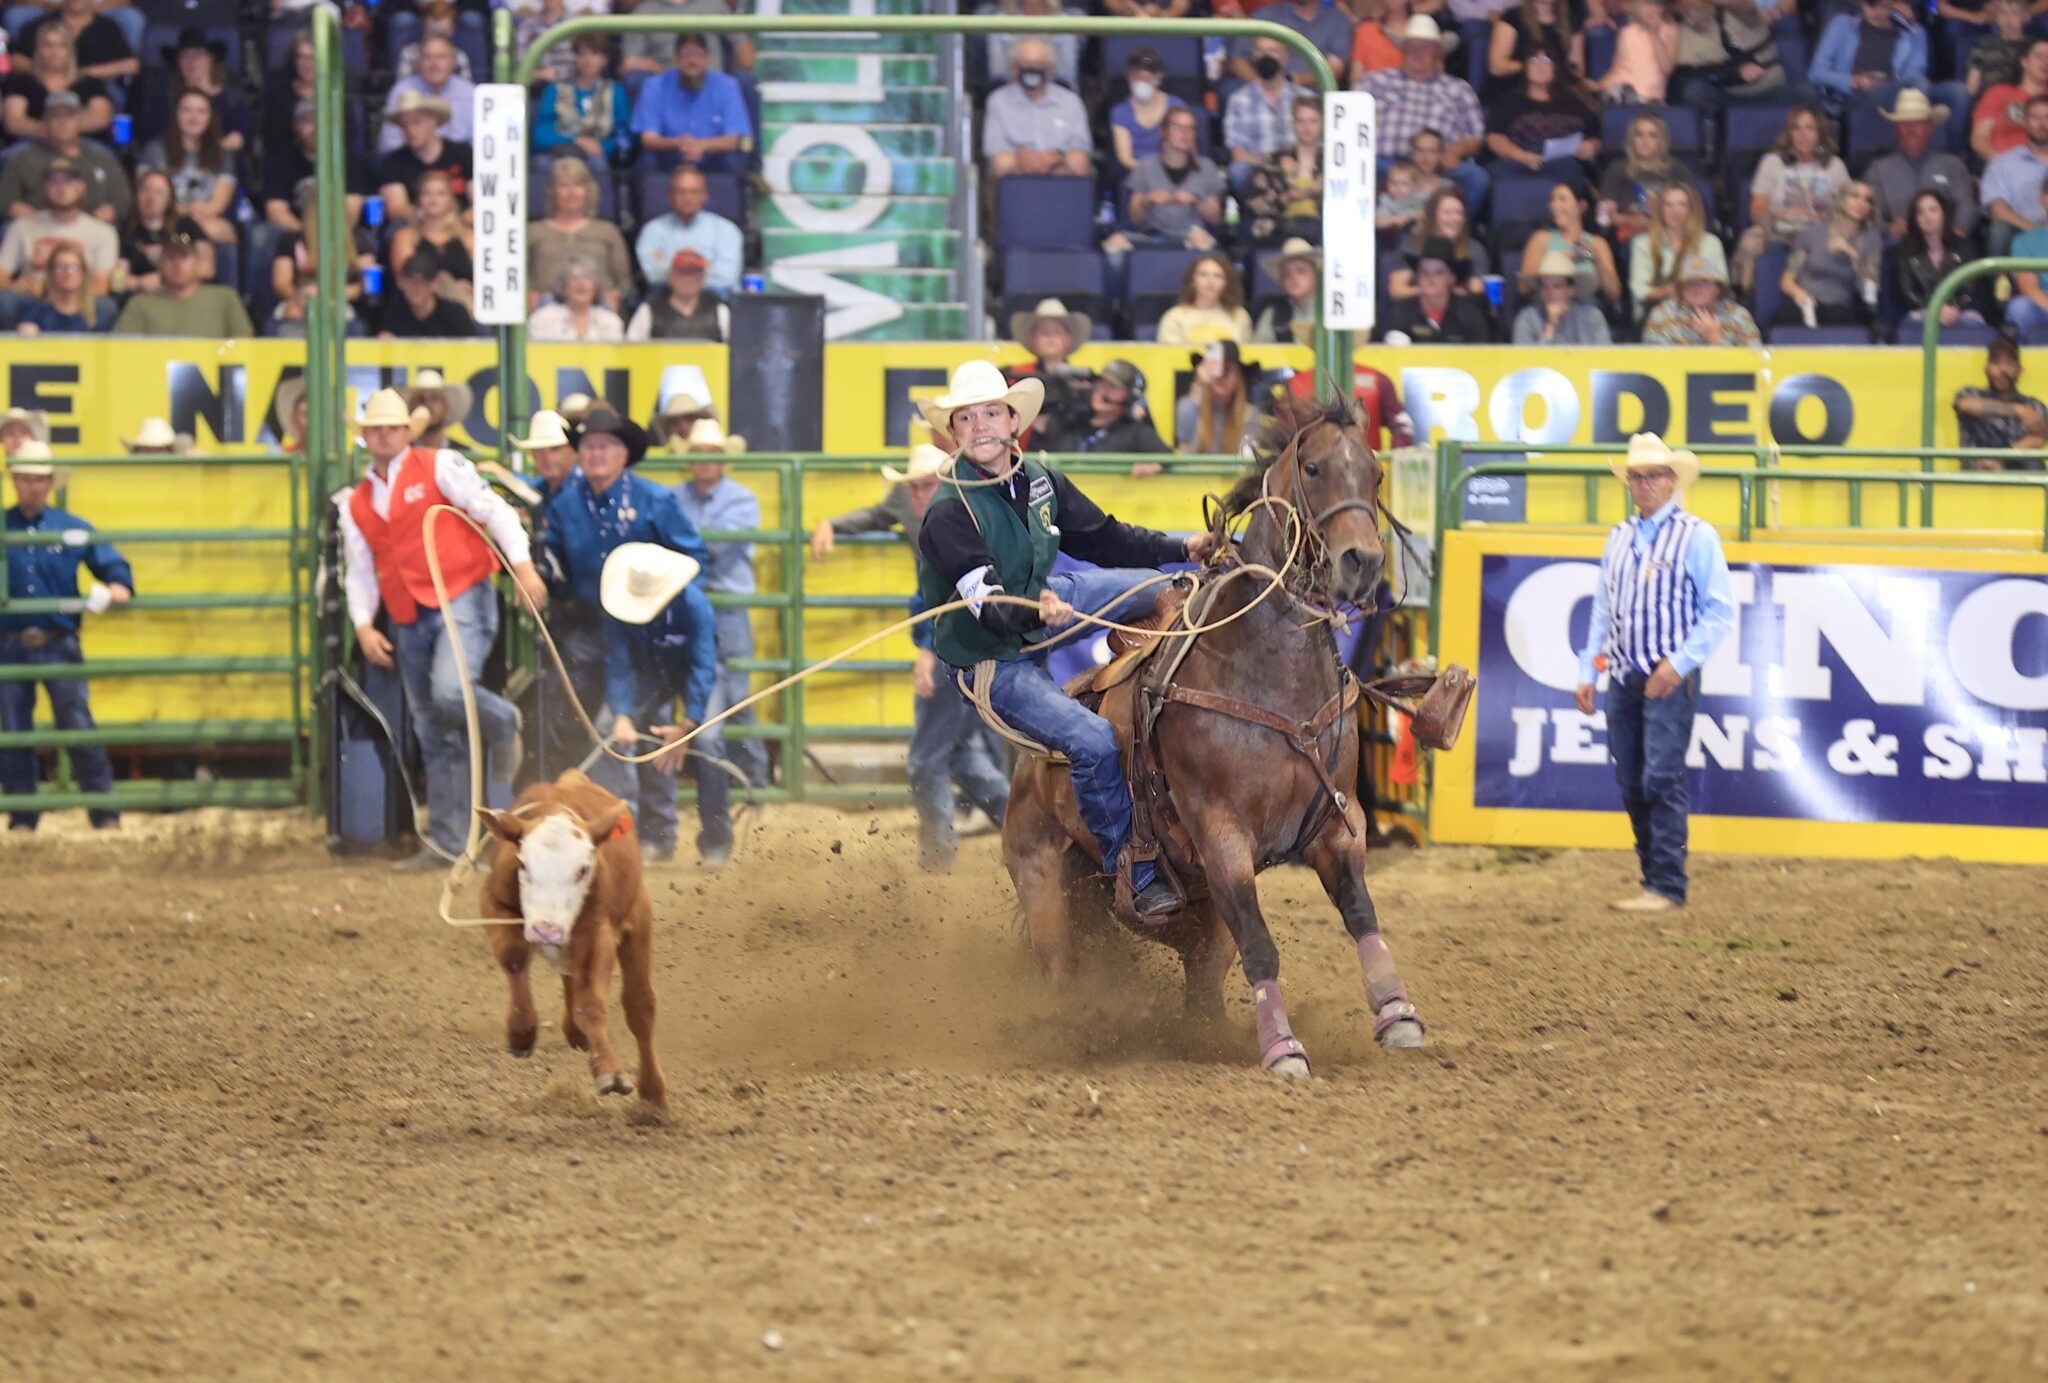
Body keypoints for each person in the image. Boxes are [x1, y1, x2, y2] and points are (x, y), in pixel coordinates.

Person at [913, 360, 1217, 918]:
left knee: (1178, 584)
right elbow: (989, 607)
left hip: (1049, 598)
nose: (980, 426)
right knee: (1094, 741)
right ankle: (1135, 868)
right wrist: (1037, 610)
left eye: (990, 413)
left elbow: (1105, 538)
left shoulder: (1041, 480)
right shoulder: (947, 513)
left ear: (1012, 421)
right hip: (995, 662)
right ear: (953, 432)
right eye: (966, 418)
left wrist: (1182, 546)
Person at [337, 388, 545, 870]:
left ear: (406, 431)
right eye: (375, 428)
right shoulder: (358, 502)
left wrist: (522, 565)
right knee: (432, 729)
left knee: (450, 693)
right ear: (366, 436)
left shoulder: (441, 466)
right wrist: (364, 625)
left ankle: (502, 721)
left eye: (391, 427)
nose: (384, 435)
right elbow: (361, 568)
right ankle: (452, 844)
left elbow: (493, 510)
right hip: (408, 611)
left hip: (461, 592)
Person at [809, 444, 1011, 871]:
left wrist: (926, 648)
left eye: (926, 485)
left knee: (927, 757)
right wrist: (832, 523)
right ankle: (1021, 820)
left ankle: (939, 857)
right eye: (914, 487)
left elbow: (955, 589)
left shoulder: (959, 516)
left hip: (959, 634)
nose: (919, 495)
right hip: (968, 633)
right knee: (954, 750)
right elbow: (877, 516)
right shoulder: (931, 505)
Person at [540, 408, 716, 863]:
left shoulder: (654, 501)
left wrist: (668, 609)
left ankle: (663, 832)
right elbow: (553, 562)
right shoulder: (563, 505)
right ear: (578, 454)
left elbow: (693, 557)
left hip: (657, 628)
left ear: (622, 454)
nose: (596, 454)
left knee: (654, 728)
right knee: (592, 727)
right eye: (589, 447)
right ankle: (619, 829)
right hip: (588, 627)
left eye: (605, 446)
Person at [1573, 433, 1734, 914]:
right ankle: (1655, 879)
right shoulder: (1619, 537)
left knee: (1660, 776)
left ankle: (1666, 883)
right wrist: (1588, 668)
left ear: (1670, 481)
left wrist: (1679, 663)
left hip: (1669, 678)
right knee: (1633, 779)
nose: (1644, 484)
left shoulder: (1697, 535)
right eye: (1636, 477)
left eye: (1653, 476)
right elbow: (1603, 609)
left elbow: (1719, 612)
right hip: (1624, 674)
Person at [0, 440, 131, 832]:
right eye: (24, 478)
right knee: (13, 729)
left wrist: (118, 584)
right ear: (15, 481)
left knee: (75, 723)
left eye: (38, 479)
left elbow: (112, 565)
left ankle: (101, 811)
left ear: (51, 482)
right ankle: (26, 814)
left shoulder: (72, 527)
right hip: (11, 641)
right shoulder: (58, 527)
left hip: (56, 639)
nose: (32, 486)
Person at [595, 542, 735, 869]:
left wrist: (688, 725)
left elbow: (703, 665)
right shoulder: (617, 611)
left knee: (708, 739)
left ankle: (716, 839)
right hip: (648, 674)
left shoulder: (695, 605)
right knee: (609, 730)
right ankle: (637, 838)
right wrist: (622, 714)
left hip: (693, 674)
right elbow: (619, 665)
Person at [670, 417, 770, 790]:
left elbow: (710, 546)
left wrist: (679, 546)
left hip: (723, 607)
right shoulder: (680, 497)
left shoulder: (740, 499)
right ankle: (733, 779)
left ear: (723, 459)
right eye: (698, 452)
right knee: (708, 691)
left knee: (735, 697)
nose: (705, 460)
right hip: (692, 605)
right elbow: (708, 544)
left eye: (712, 453)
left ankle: (753, 778)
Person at [1358, 17, 1490, 213]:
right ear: (1403, 49)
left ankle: (1451, 231)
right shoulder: (1375, 82)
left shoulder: (1458, 89)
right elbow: (1350, 121)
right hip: (1385, 164)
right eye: (1412, 46)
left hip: (1439, 165)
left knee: (1476, 178)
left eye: (1426, 47)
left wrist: (1454, 152)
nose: (1418, 52)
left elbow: (1476, 137)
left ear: (1438, 53)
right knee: (1360, 170)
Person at [1732, 107, 1849, 294]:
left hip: (1820, 231)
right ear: (1789, 133)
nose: (1803, 135)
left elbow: (1847, 211)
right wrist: (1782, 214)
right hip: (1780, 228)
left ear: (1820, 133)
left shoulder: (1835, 166)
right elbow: (1756, 211)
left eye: (1809, 128)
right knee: (1751, 240)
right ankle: (1747, 296)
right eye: (1796, 128)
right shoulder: (1772, 162)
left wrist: (1823, 220)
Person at [1106, 107, 1226, 259]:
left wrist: (1195, 201)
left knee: (1203, 242)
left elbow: (1215, 218)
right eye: (1177, 127)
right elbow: (1135, 219)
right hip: (1150, 236)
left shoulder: (1206, 167)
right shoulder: (1146, 166)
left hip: (1190, 235)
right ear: (1164, 132)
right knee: (1115, 243)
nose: (1184, 134)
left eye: (1190, 128)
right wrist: (1146, 200)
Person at [0, 158, 121, 306]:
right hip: (30, 300)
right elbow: (2, 274)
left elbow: (101, 286)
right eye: (54, 182)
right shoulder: (21, 227)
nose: (61, 188)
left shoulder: (103, 232)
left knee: (104, 305)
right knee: (6, 301)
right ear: (44, 188)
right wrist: (13, 287)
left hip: (78, 302)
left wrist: (50, 291)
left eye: (68, 181)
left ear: (81, 187)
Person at [0, 88, 129, 224]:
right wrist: (37, 221)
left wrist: (96, 220)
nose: (63, 122)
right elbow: (5, 199)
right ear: (45, 121)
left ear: (80, 120)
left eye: (69, 116)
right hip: (36, 229)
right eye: (56, 116)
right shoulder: (22, 159)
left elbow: (121, 198)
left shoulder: (102, 158)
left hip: (90, 230)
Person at [532, 35, 632, 206]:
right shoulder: (555, 90)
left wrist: (603, 148)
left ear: (605, 60)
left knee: (598, 163)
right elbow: (541, 135)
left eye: (594, 54)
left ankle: (602, 220)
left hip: (597, 157)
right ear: (575, 59)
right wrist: (576, 141)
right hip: (559, 153)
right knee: (541, 164)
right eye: (582, 54)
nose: (588, 60)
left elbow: (623, 136)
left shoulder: (615, 91)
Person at [631, 33, 752, 174]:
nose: (693, 61)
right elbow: (648, 139)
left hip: (711, 156)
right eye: (686, 55)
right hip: (670, 154)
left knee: (732, 160)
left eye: (699, 55)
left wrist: (701, 146)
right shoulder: (654, 86)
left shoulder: (727, 85)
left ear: (708, 58)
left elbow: (732, 140)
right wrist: (678, 143)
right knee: (647, 160)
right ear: (676, 58)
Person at [1865, 88, 1977, 240]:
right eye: (1904, 124)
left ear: (1930, 127)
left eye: (1917, 123)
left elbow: (1966, 206)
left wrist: (1958, 230)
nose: (1910, 130)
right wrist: (1889, 228)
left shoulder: (1952, 165)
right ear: (1896, 128)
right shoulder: (1878, 169)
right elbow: (1870, 213)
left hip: (1947, 242)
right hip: (1901, 246)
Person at [1773, 180, 1881, 332]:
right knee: (1787, 319)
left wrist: (1852, 254)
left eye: (1867, 200)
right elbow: (1786, 280)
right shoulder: (1813, 232)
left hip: (1838, 309)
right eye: (1855, 196)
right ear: (1841, 199)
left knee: (1837, 320)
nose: (1861, 203)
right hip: (1804, 303)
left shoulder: (1871, 239)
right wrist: (1798, 294)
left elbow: (1869, 292)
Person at [528, 159, 633, 313]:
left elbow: (625, 282)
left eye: (577, 185)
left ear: (588, 190)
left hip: (597, 307)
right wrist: (527, 295)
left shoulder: (608, 231)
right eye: (563, 185)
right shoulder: (532, 232)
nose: (571, 192)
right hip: (545, 308)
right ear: (552, 191)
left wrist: (615, 295)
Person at [982, 38, 1092, 184]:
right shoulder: (998, 100)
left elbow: (1081, 144)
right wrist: (1023, 157)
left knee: (1079, 161)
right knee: (1001, 162)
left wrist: (1054, 157)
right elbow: (993, 146)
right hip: (1017, 165)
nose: (1032, 70)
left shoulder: (1070, 101)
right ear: (1015, 68)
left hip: (1058, 164)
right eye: (1026, 65)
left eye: (1039, 65)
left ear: (1051, 70)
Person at [136, 89, 235, 245]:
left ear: (211, 117)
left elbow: (217, 204)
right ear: (176, 114)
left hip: (203, 220)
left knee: (222, 230)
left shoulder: (223, 156)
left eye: (201, 111)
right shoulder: (154, 150)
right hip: (162, 218)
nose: (194, 118)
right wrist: (184, 212)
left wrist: (188, 214)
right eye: (187, 110)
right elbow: (146, 197)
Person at [109, 232, 252, 335]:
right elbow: (121, 350)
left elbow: (244, 346)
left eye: (184, 257)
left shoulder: (225, 298)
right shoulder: (140, 304)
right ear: (161, 265)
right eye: (171, 257)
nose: (177, 264)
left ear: (197, 263)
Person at [1484, 50, 1600, 177]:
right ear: (1525, 67)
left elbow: (1595, 136)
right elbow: (1494, 139)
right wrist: (1521, 156)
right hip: (1519, 160)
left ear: (1555, 67)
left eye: (1546, 61)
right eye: (1533, 61)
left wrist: (1591, 146)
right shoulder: (1509, 101)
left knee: (1573, 170)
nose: (1540, 66)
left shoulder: (1572, 100)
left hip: (1564, 162)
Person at [634, 164, 743, 296]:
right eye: (681, 192)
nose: (688, 198)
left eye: (694, 192)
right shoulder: (652, 230)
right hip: (666, 305)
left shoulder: (726, 229)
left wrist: (672, 265)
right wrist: (704, 265)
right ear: (670, 196)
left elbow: (726, 277)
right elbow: (652, 275)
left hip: (717, 303)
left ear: (705, 196)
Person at [2, 21, 113, 141]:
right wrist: (55, 132)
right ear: (38, 49)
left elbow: (101, 117)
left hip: (84, 146)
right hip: (33, 145)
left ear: (70, 50)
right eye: (48, 45)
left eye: (61, 45)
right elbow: (13, 122)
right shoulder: (22, 82)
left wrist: (64, 132)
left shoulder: (90, 82)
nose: (54, 52)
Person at [1516, 179, 1620, 307]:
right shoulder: (1541, 239)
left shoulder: (1598, 243)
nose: (1554, 205)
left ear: (1581, 206)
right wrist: (1564, 258)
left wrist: (1595, 258)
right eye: (1553, 199)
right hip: (1547, 308)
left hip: (1586, 311)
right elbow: (1523, 287)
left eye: (1562, 199)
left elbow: (1614, 294)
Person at [374, 91, 473, 227]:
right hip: (415, 229)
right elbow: (396, 208)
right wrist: (435, 220)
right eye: (404, 125)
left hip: (464, 226)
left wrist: (458, 223)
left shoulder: (463, 153)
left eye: (416, 122)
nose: (410, 130)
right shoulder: (393, 162)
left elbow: (482, 199)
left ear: (433, 122)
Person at [1005, 297, 1093, 449]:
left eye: (1057, 332)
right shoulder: (1014, 375)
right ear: (1033, 339)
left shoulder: (1082, 380)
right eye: (1044, 333)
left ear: (1068, 339)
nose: (1050, 338)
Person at [1668, 0, 1785, 113]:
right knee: (1693, 90)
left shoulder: (1738, 13)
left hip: (1771, 90)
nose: (1686, 4)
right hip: (1728, 97)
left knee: (1802, 94)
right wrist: (1736, 72)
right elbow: (1692, 72)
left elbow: (1744, 4)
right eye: (1678, 2)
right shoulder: (1681, 35)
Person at [1629, 180, 1720, 324]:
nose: (1675, 211)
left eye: (1681, 205)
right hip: (1655, 312)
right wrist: (1671, 291)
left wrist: (1689, 293)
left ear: (1691, 209)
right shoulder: (1642, 243)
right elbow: (1640, 290)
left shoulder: (1710, 243)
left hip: (1702, 310)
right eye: (1668, 205)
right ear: (1660, 210)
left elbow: (1719, 284)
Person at [1952, 336, 2048, 468]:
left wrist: (2001, 459)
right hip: (1976, 476)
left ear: (2019, 369)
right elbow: (1965, 405)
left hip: (2017, 474)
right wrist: (2020, 411)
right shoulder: (1970, 394)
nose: (2003, 369)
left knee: (2033, 462)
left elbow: (2040, 437)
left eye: (2009, 363)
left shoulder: (2034, 405)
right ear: (1986, 368)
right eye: (1996, 362)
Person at [1896, 189, 1984, 332]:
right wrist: (1935, 308)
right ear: (1915, 219)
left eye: (1932, 210)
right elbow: (1907, 292)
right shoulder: (1905, 251)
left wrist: (1955, 308)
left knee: (1974, 321)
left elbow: (1972, 288)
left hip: (1959, 311)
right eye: (1920, 212)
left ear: (1944, 213)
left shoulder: (1965, 246)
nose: (1927, 216)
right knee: (1911, 322)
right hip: (1924, 310)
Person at [1245, 94, 1325, 246]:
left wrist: (1317, 193)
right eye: (1301, 121)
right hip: (1281, 228)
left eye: (1313, 121)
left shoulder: (1332, 163)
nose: (1307, 128)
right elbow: (1256, 205)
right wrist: (1287, 197)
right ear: (1293, 124)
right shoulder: (1273, 161)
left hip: (1322, 229)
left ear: (1321, 124)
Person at [1224, 35, 1300, 197]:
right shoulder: (1239, 99)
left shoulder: (1302, 98)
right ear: (1254, 57)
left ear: (1285, 58)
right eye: (1260, 51)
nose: (1266, 56)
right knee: (1238, 170)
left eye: (1273, 51)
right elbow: (1238, 152)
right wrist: (1271, 169)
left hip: (1298, 171)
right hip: (1257, 171)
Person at [1380, 235, 1495, 341]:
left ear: (1452, 278)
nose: (1430, 278)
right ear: (1417, 277)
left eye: (1438, 272)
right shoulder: (1400, 313)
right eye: (1425, 272)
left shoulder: (1470, 315)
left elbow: (1480, 356)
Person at [120, 167, 213, 294]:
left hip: (187, 293)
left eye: (159, 192)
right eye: (145, 190)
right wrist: (140, 282)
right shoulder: (125, 231)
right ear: (136, 194)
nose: (150, 198)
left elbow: (207, 267)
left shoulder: (187, 225)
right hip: (145, 296)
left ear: (169, 199)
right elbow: (120, 279)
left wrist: (166, 278)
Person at [378, 35, 476, 155]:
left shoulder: (470, 93)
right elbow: (389, 144)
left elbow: (477, 143)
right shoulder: (401, 90)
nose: (434, 64)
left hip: (457, 165)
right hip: (411, 162)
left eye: (441, 57)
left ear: (453, 62)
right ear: (418, 63)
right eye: (427, 57)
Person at [386, 170, 473, 305]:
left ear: (451, 199)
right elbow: (406, 281)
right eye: (427, 193)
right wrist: (451, 289)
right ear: (419, 199)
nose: (434, 200)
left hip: (465, 307)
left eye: (441, 194)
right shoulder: (405, 237)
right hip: (420, 307)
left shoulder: (468, 237)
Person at [1390, 184, 1489, 297]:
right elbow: (1397, 290)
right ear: (1432, 216)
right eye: (1447, 213)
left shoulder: (1474, 249)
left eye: (1459, 213)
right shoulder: (1412, 245)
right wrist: (1435, 291)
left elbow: (1475, 291)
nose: (1454, 219)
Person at [1641, 252, 1760, 345]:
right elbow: (1655, 361)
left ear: (1718, 288)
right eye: (1689, 283)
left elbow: (1755, 363)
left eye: (1703, 282)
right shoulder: (1663, 315)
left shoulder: (1738, 316)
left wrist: (1716, 340)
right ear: (1681, 289)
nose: (1695, 288)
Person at [1596, 109, 1679, 242]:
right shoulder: (1617, 169)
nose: (1645, 141)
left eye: (1652, 135)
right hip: (1632, 237)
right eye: (1639, 135)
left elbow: (1693, 211)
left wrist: (1654, 222)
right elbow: (1603, 217)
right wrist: (1631, 220)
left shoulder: (1675, 169)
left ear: (1661, 141)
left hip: (1670, 235)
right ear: (1631, 140)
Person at [1983, 93, 2048, 256]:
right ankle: (1998, 281)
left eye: (2047, 117)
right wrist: (2038, 233)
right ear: (2025, 122)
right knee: (2000, 229)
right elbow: (1998, 212)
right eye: (2035, 117)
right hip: (2022, 234)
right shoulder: (2003, 163)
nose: (2042, 123)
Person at [1232, 0, 1355, 85]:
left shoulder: (1338, 19)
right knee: (1229, 89)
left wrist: (1296, 80)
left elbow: (1335, 68)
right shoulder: (1266, 14)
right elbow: (1238, 59)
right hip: (1261, 85)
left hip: (1313, 89)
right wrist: (1260, 85)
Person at [1107, 46, 1189, 172]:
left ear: (1159, 77)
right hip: (1139, 176)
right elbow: (1125, 159)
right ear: (1128, 76)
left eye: (1146, 78)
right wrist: (1154, 174)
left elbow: (1187, 148)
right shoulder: (1120, 112)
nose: (1141, 82)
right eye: (1137, 77)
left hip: (1175, 172)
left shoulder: (1177, 106)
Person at [625, 247, 730, 341]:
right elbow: (631, 351)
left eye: (694, 273)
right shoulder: (648, 311)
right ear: (671, 277)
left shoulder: (719, 310)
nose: (689, 279)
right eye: (683, 272)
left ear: (702, 278)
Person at [1487, 0, 1588, 97]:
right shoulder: (1512, 17)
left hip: (1557, 92)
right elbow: (1497, 66)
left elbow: (1576, 67)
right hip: (1514, 89)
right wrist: (1535, 66)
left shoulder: (1572, 20)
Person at [1971, 36, 2048, 161]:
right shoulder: (1999, 93)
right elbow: (1979, 140)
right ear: (2025, 61)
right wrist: (2007, 165)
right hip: (2004, 165)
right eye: (2040, 57)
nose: (2046, 62)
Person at [1512, 248, 1612, 341]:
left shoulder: (1592, 317)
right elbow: (1523, 360)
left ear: (1571, 290)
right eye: (1544, 286)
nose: (1549, 293)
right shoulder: (1527, 319)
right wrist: (1550, 326)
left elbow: (1607, 358)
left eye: (1557, 286)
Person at [1156, 251, 1253, 345]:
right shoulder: (1174, 317)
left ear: (1227, 283)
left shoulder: (1240, 316)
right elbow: (1168, 357)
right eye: (1203, 275)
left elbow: (1247, 355)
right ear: (1192, 281)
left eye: (1218, 276)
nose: (1210, 281)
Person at [15, 238, 112, 332]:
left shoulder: (98, 313)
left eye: (74, 268)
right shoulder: (35, 310)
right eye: (61, 267)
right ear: (51, 272)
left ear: (83, 273)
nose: (68, 273)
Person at [1175, 341, 1251, 454]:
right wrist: (1199, 384)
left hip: (1234, 472)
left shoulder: (1249, 415)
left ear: (1238, 377)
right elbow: (1184, 437)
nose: (1222, 375)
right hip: (1196, 471)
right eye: (1216, 368)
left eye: (1229, 369)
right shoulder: (1191, 407)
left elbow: (1247, 459)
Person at [1597, 0, 1676, 104]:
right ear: (1636, 6)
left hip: (1649, 97)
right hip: (1620, 88)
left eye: (1657, 5)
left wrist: (1654, 33)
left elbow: (1667, 69)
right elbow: (1616, 68)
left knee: (1630, 97)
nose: (1652, 9)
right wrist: (1600, 85)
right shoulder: (1626, 32)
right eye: (1647, 3)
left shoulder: (1670, 30)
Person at [530, 257, 625, 343]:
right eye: (574, 278)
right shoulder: (543, 318)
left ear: (595, 287)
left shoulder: (610, 321)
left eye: (587, 278)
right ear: (564, 287)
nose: (581, 284)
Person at [1253, 238, 1322, 345]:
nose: (1293, 277)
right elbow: (1261, 352)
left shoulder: (1331, 312)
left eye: (1300, 271)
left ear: (1316, 275)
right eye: (1286, 273)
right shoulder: (1273, 314)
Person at [405, 368, 473, 452]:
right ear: (410, 409)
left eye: (434, 398)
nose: (427, 404)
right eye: (420, 399)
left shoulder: (465, 453)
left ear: (446, 409)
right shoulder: (398, 453)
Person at [1377, 158, 1431, 238]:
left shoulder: (1420, 197)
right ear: (1387, 184)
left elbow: (1433, 208)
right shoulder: (1387, 201)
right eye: (1393, 183)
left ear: (1414, 186)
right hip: (1398, 238)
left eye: (1404, 184)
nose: (1398, 188)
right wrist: (1394, 219)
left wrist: (1424, 214)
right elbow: (1378, 222)